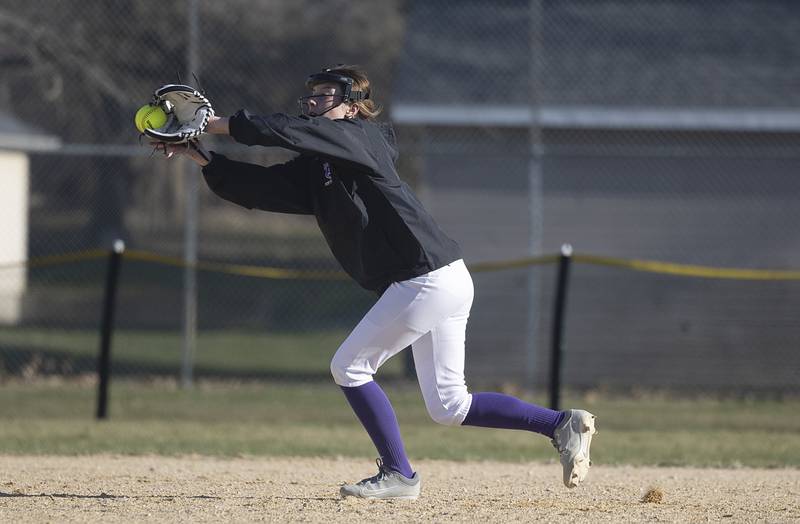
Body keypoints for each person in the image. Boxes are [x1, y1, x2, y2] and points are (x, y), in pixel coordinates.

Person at [154, 65, 597, 500]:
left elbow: (287, 131)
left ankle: (399, 474)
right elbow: (262, 188)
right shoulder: (323, 164)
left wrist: (214, 123)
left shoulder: (362, 138)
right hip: (440, 277)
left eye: (325, 95)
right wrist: (202, 155)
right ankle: (560, 424)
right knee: (449, 406)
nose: (312, 101)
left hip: (424, 277)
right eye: (310, 94)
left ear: (352, 106)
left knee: (349, 366)